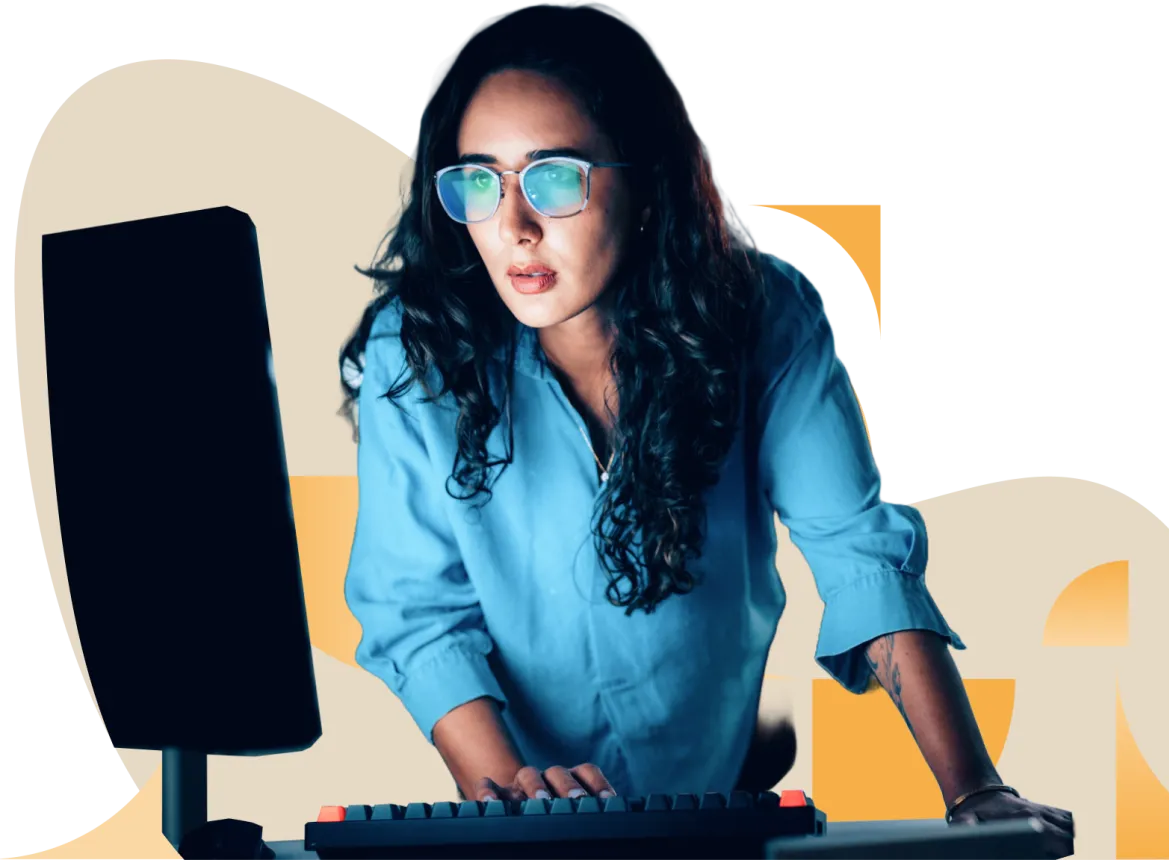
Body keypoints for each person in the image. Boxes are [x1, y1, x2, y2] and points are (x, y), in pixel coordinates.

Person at [338, 2, 1072, 856]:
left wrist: (975, 789)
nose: (514, 227)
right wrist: (523, 808)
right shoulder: (414, 350)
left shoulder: (767, 313)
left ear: (645, 181)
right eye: (478, 180)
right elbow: (418, 618)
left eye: (554, 177)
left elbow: (859, 558)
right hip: (523, 817)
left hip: (720, 809)